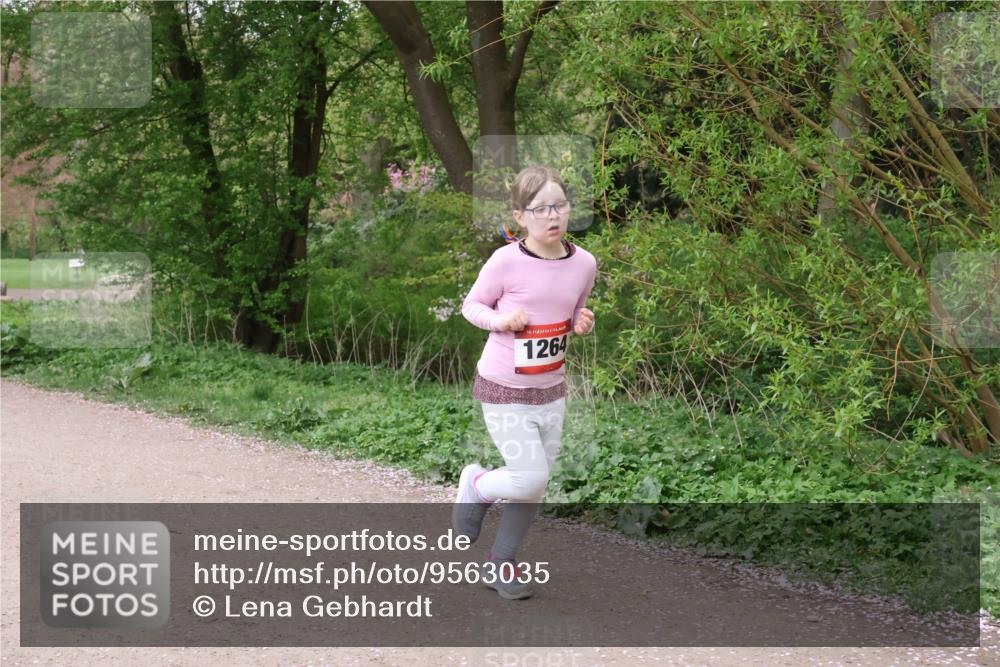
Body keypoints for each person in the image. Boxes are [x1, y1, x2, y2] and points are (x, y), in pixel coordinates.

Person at [454, 165, 597, 600]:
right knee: (530, 477)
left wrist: (580, 322)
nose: (552, 216)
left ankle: (501, 565)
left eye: (560, 206)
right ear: (520, 216)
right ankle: (476, 486)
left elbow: (571, 310)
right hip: (503, 387)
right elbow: (471, 307)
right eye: (540, 209)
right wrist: (501, 319)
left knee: (532, 486)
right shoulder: (505, 261)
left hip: (550, 389)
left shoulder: (585, 263)